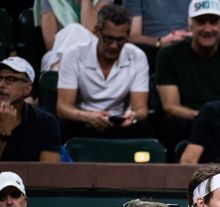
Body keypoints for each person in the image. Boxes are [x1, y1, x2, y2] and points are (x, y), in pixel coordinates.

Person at [156, 0, 220, 157]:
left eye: (214, 22)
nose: (207, 28)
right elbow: (170, 106)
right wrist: (204, 117)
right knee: (172, 124)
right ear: (190, 25)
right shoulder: (169, 55)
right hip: (187, 120)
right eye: (201, 22)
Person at [56, 4, 154, 141]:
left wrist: (133, 115)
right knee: (62, 127)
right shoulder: (74, 55)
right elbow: (63, 107)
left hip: (119, 122)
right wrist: (88, 117)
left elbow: (141, 109)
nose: (114, 46)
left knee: (146, 130)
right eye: (109, 39)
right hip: (83, 120)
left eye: (120, 40)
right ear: (97, 32)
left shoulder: (137, 56)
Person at [0, 57, 62, 162]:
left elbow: (48, 172)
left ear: (27, 88)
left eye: (10, 79)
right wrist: (4, 133)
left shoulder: (45, 122)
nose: (1, 85)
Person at [124, 0, 192, 68]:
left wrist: (189, 35)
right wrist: (160, 42)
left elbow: (193, 24)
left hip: (186, 44)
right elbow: (133, 36)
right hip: (153, 50)